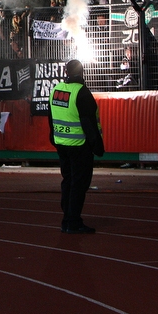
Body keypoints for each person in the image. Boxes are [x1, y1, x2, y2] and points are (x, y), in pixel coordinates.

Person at [48, 60, 104, 233]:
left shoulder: (56, 91)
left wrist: (54, 138)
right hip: (80, 145)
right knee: (79, 184)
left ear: (66, 72)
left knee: (68, 180)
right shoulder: (82, 92)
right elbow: (89, 123)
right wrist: (97, 146)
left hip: (61, 144)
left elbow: (50, 118)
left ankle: (67, 218)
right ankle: (72, 221)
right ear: (82, 72)